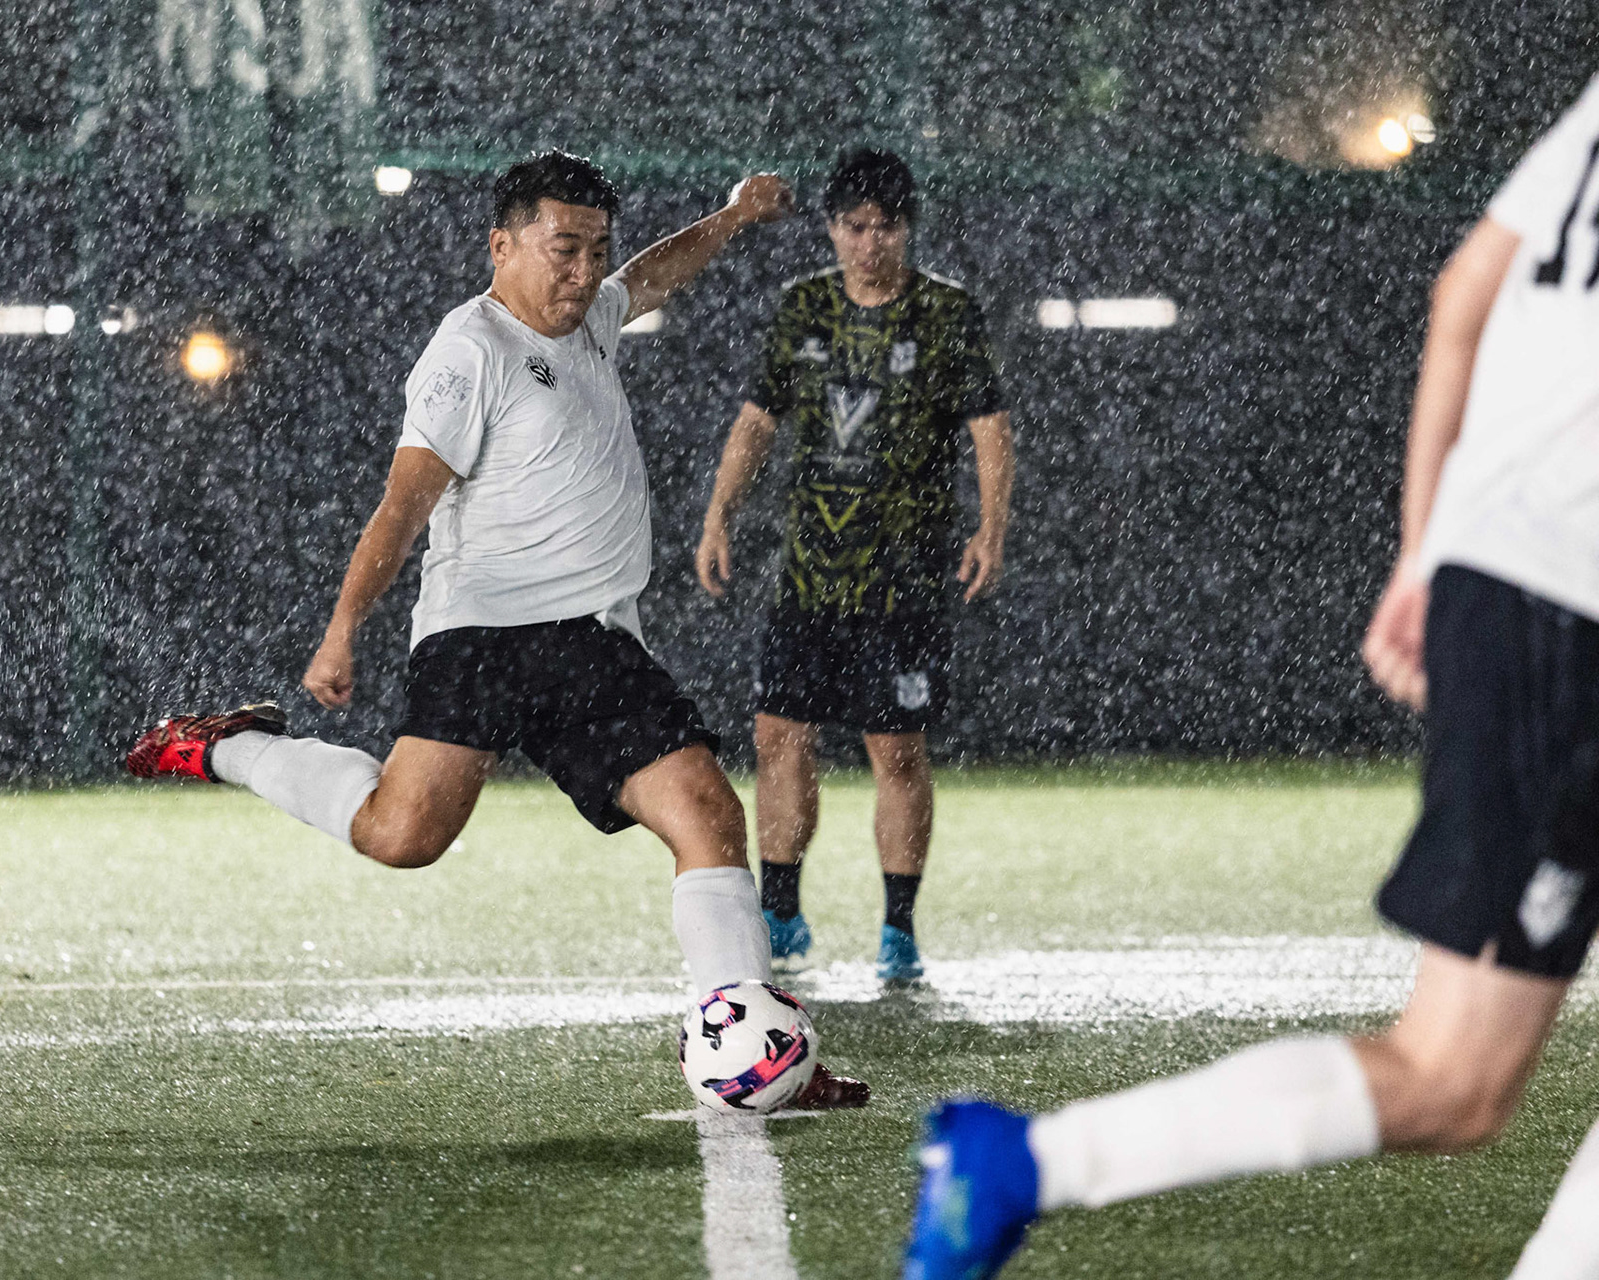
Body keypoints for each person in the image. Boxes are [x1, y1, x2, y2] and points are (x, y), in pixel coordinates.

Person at [902, 74, 1599, 1279]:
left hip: (1519, 581)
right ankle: (1027, 1164)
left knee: (1458, 1078)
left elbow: (1464, 293)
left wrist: (1430, 555)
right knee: (1451, 1075)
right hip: (1570, 608)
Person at [126, 149, 869, 1109]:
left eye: (594, 250)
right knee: (401, 836)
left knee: (709, 817)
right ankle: (236, 746)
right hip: (482, 639)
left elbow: (654, 270)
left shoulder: (594, 313)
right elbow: (403, 506)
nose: (584, 272)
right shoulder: (468, 352)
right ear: (502, 244)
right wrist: (344, 626)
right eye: (564, 249)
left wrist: (729, 217)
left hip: (595, 644)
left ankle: (760, 1055)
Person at [694, 148, 1013, 982]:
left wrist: (991, 528)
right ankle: (782, 914)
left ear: (908, 230)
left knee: (896, 751)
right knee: (778, 737)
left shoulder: (946, 314)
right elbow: (759, 420)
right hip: (810, 574)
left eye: (887, 227)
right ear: (833, 229)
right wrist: (719, 512)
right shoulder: (802, 309)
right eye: (855, 227)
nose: (871, 243)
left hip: (902, 578)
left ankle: (898, 932)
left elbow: (989, 427)